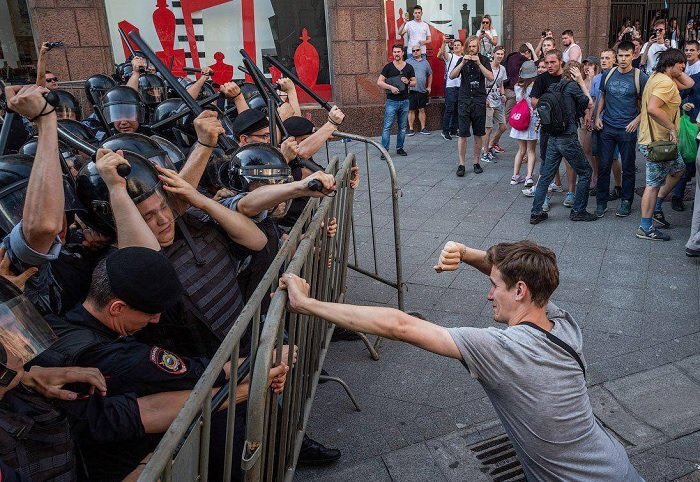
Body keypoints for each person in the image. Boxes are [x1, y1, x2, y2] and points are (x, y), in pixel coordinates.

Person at [278, 239, 644, 482]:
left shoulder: (505, 350)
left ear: (519, 291)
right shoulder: (563, 322)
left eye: (495, 286)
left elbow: (401, 326)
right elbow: (518, 276)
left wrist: (307, 304)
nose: (489, 295)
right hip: (616, 467)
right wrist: (466, 253)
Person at [34, 247, 288, 480]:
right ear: (117, 307)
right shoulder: (120, 358)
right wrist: (269, 360)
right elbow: (203, 375)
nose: (156, 320)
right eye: (150, 312)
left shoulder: (54, 325)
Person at [530, 51, 595, 224]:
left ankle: (536, 213)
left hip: (552, 136)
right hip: (567, 137)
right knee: (586, 171)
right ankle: (578, 211)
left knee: (545, 175)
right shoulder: (573, 87)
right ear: (577, 74)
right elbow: (589, 103)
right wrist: (581, 83)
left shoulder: (555, 86)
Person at [636, 48, 694, 241]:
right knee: (652, 185)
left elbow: (690, 83)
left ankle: (658, 205)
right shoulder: (666, 83)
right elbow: (653, 109)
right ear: (671, 64)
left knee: (678, 170)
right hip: (658, 143)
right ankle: (645, 227)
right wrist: (671, 127)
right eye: (681, 64)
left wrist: (675, 68)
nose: (684, 67)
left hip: (658, 141)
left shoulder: (657, 75)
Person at [595, 41, 648, 218]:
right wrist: (597, 116)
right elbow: (603, 95)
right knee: (603, 166)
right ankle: (601, 202)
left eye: (627, 55)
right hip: (608, 127)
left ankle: (626, 201)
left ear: (633, 56)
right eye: (620, 55)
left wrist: (637, 120)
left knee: (628, 166)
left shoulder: (640, 76)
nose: (623, 59)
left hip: (627, 129)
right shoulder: (608, 73)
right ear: (616, 56)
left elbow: (649, 104)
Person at [449, 36, 494, 176]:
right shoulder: (461, 59)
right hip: (464, 100)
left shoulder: (484, 60)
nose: (472, 49)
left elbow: (491, 77)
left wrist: (479, 63)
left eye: (474, 46)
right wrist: (463, 63)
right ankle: (461, 164)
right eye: (470, 46)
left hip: (479, 100)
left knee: (478, 133)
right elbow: (451, 76)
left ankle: (476, 162)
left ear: (478, 47)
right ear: (466, 47)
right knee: (462, 134)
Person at [674, 40, 700, 212]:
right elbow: (676, 95)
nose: (689, 52)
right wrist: (683, 103)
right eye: (687, 50)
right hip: (685, 120)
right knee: (684, 160)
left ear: (698, 52)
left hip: (697, 122)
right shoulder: (681, 70)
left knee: (696, 162)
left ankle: (696, 203)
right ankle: (677, 195)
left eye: (692, 50)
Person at [377, 43, 416, 157]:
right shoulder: (388, 67)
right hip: (391, 102)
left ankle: (400, 148)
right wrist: (391, 88)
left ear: (402, 53)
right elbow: (379, 81)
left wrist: (408, 82)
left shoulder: (409, 67)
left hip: (405, 101)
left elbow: (414, 82)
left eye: (398, 52)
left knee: (402, 127)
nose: (396, 54)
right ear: (392, 53)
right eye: (394, 52)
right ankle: (384, 151)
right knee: (387, 126)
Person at [509, 60, 538, 187]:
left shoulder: (517, 86)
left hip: (520, 119)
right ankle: (529, 177)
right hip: (531, 120)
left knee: (521, 150)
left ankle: (515, 176)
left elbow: (518, 100)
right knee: (531, 150)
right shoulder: (535, 87)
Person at [503, 43, 535, 140]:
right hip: (515, 90)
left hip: (508, 88)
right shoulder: (523, 60)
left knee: (506, 115)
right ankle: (492, 143)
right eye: (529, 54)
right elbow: (535, 63)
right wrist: (533, 50)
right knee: (505, 118)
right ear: (526, 52)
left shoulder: (511, 56)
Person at [482, 45, 508, 160]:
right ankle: (485, 152)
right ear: (493, 54)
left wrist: (503, 94)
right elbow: (481, 85)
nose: (500, 56)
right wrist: (484, 98)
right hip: (488, 99)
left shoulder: (502, 69)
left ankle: (491, 143)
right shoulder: (487, 67)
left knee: (503, 126)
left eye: (502, 54)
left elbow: (501, 84)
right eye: (498, 54)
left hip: (498, 99)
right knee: (488, 128)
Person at [438, 37, 463, 140]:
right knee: (449, 109)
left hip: (461, 86)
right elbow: (441, 54)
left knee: (458, 109)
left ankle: (454, 129)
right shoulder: (450, 56)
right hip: (451, 86)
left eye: (459, 45)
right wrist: (444, 43)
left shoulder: (464, 58)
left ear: (462, 48)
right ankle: (445, 131)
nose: (456, 46)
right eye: (455, 45)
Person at [406, 45, 433, 136]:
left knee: (422, 109)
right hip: (411, 90)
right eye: (413, 51)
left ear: (420, 51)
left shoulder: (426, 63)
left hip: (422, 90)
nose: (415, 52)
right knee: (411, 110)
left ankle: (423, 128)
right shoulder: (407, 62)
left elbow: (430, 74)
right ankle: (410, 129)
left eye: (417, 50)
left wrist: (429, 87)